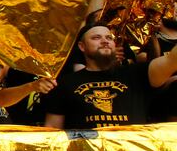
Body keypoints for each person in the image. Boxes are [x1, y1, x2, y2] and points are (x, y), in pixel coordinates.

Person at [44, 23, 177, 129]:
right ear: (82, 46)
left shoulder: (137, 74)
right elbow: (53, 129)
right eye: (96, 38)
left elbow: (172, 60)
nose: (105, 41)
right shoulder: (65, 83)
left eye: (109, 38)